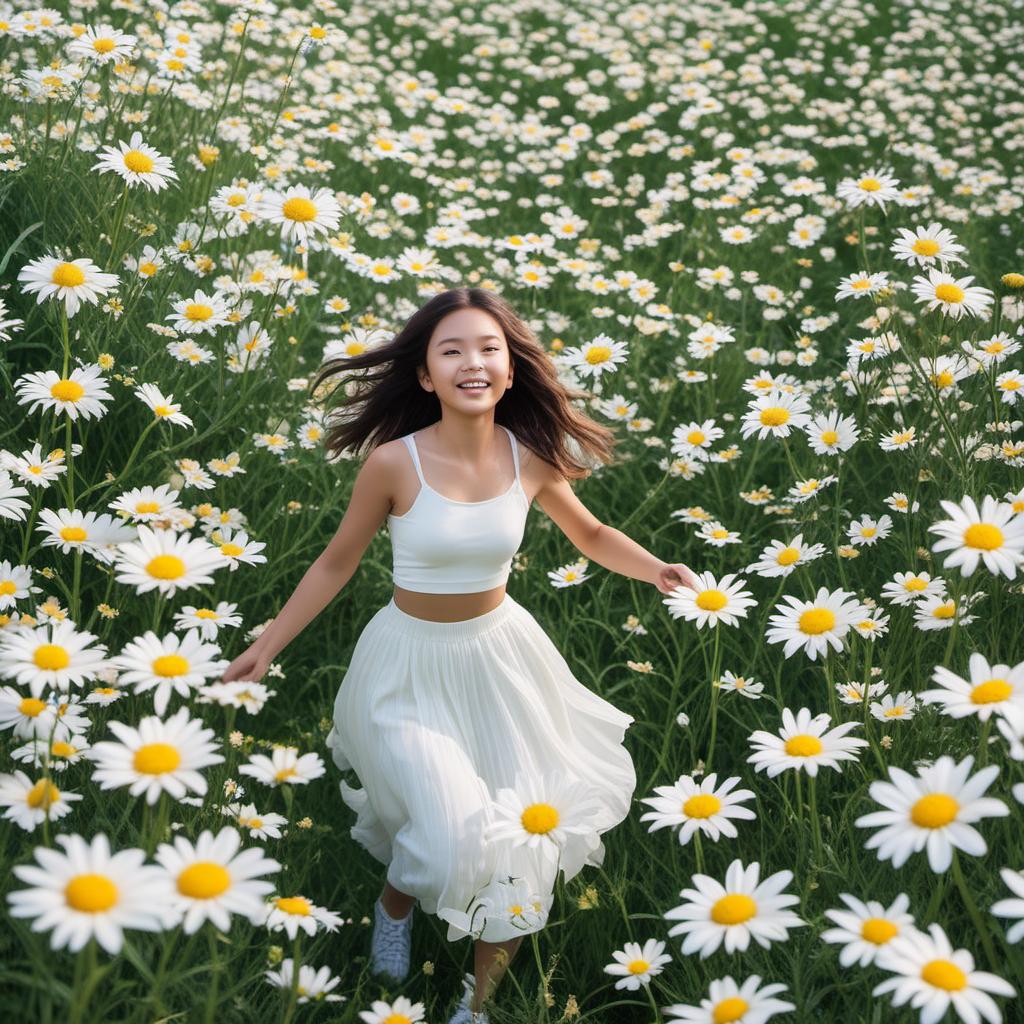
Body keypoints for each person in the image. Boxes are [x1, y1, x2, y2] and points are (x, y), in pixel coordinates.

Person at [222, 287, 697, 1023]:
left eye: (488, 349)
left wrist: (656, 569)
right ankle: (395, 902)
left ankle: (475, 1006)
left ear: (510, 372)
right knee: (447, 829)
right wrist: (266, 646)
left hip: (504, 663)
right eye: (451, 350)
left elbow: (594, 536)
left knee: (515, 838)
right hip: (407, 670)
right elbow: (335, 563)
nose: (471, 362)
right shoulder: (394, 463)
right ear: (425, 376)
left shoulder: (530, 457)